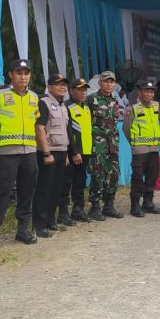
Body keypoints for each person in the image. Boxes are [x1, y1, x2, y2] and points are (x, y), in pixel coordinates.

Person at [0, 59, 40, 253]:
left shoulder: (34, 97)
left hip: (29, 152)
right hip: (5, 152)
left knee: (27, 191)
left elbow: (37, 123)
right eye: (19, 73)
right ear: (11, 74)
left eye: (26, 73)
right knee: (1, 193)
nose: (23, 77)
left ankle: (23, 229)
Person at [32, 73, 76, 237]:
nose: (62, 87)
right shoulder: (43, 103)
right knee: (44, 188)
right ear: (49, 87)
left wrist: (65, 153)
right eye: (58, 84)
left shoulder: (63, 106)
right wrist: (46, 152)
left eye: (64, 84)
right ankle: (39, 224)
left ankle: (51, 220)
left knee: (57, 188)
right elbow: (40, 128)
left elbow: (65, 131)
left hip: (61, 152)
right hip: (48, 152)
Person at [86, 71, 123, 220]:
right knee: (97, 175)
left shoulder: (114, 100)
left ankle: (109, 205)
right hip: (97, 145)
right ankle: (95, 207)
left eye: (111, 82)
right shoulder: (91, 99)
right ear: (100, 83)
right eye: (106, 81)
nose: (109, 84)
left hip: (112, 144)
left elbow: (114, 122)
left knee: (114, 174)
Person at [124, 80, 160, 217]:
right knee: (137, 178)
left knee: (152, 176)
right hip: (140, 150)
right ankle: (135, 206)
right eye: (146, 91)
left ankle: (148, 203)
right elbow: (126, 129)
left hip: (154, 149)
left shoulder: (156, 106)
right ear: (139, 92)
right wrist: (135, 144)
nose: (149, 94)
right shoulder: (133, 108)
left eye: (151, 91)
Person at [65, 78, 93, 222]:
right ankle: (66, 212)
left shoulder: (86, 107)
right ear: (71, 91)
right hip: (74, 152)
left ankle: (78, 208)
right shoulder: (67, 107)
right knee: (69, 182)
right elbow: (67, 132)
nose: (83, 93)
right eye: (79, 89)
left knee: (80, 181)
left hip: (86, 150)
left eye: (84, 90)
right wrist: (74, 152)